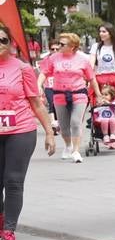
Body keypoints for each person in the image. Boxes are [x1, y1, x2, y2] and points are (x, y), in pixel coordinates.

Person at [0, 28, 57, 240]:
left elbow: (36, 103)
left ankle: (9, 230)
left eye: (2, 39)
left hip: (20, 131)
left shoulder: (23, 68)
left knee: (13, 181)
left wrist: (50, 132)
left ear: (10, 43)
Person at [39, 33, 99, 163]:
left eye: (62, 44)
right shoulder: (54, 58)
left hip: (79, 93)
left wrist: (98, 94)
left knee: (75, 122)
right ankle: (68, 145)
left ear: (72, 46)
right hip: (59, 94)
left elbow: (91, 78)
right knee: (64, 125)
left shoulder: (82, 60)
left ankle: (76, 151)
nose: (59, 46)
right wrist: (38, 86)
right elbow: (44, 73)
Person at [89, 23, 115, 108]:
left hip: (114, 78)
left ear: (110, 33)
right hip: (99, 79)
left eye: (104, 32)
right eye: (100, 31)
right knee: (96, 100)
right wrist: (89, 74)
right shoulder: (95, 47)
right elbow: (91, 64)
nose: (101, 34)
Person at [37, 39, 61, 116]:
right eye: (52, 49)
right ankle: (53, 123)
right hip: (49, 86)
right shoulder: (46, 60)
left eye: (57, 49)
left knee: (60, 106)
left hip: (61, 87)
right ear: (49, 50)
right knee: (52, 103)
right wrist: (39, 85)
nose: (55, 51)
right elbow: (43, 73)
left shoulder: (64, 59)